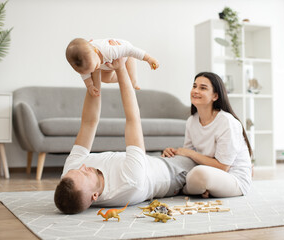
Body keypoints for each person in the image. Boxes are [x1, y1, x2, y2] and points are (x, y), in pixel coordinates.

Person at [54, 57, 196, 214]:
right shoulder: (129, 182)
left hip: (152, 159)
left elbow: (88, 122)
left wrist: (95, 71)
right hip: (172, 173)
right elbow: (133, 119)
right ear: (95, 196)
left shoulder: (71, 174)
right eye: (85, 174)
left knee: (192, 153)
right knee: (205, 166)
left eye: (77, 170)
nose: (82, 167)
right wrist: (121, 69)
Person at [162, 72, 253, 198]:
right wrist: (174, 153)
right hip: (208, 173)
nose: (196, 91)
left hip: (234, 179)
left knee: (199, 174)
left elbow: (223, 167)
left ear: (215, 96)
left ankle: (187, 189)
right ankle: (198, 188)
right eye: (194, 86)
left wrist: (189, 153)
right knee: (184, 171)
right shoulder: (191, 121)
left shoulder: (227, 122)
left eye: (202, 88)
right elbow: (188, 158)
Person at [65, 38, 159, 96]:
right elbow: (84, 75)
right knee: (105, 78)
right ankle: (122, 77)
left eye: (95, 66)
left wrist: (149, 59)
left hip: (125, 54)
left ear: (95, 50)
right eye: (90, 70)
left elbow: (131, 50)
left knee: (131, 81)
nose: (93, 70)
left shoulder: (109, 50)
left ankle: (133, 82)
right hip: (107, 65)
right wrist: (89, 86)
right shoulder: (85, 62)